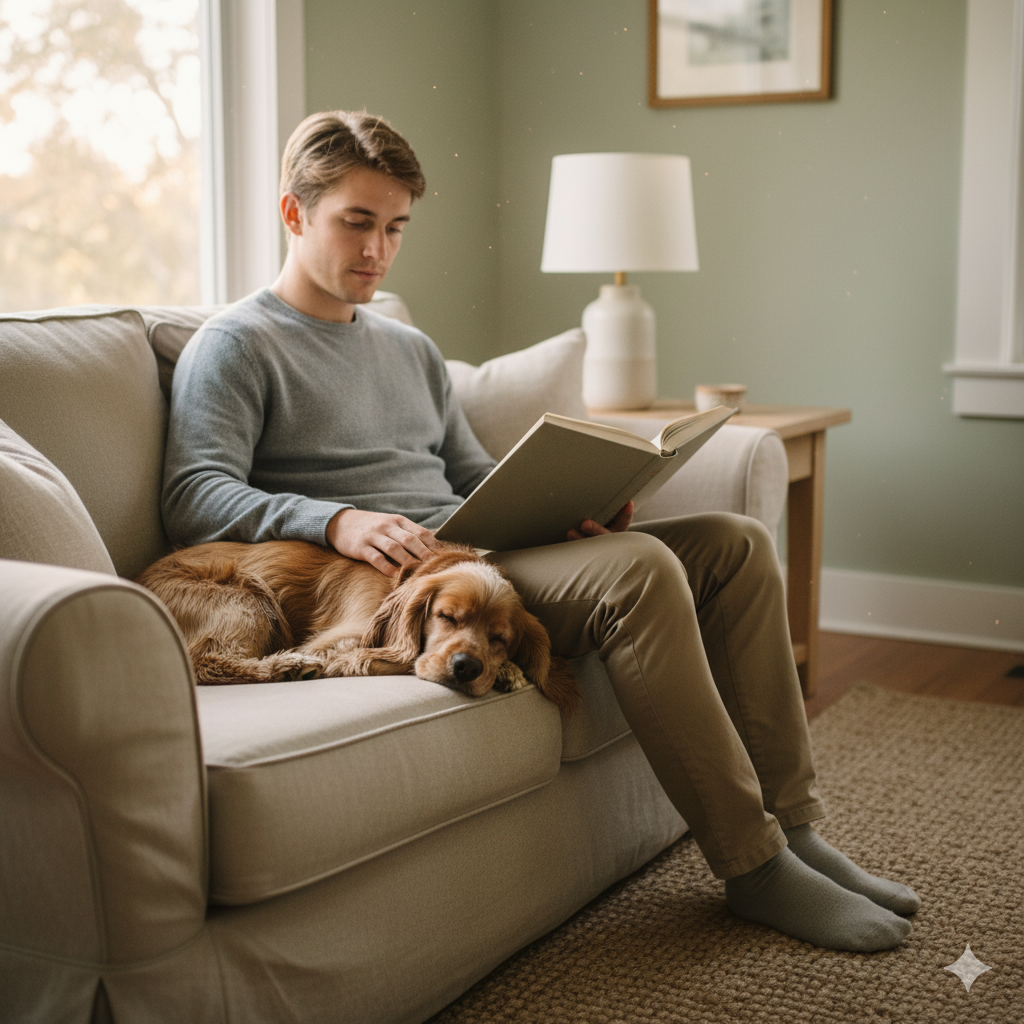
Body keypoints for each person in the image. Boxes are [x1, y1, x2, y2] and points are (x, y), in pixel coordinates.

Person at [163, 110, 920, 953]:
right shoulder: (236, 345)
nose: (377, 250)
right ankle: (754, 867)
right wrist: (335, 520)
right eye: (357, 223)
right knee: (638, 572)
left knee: (734, 544)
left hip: (485, 554)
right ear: (294, 213)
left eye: (396, 228)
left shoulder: (407, 349)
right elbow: (194, 494)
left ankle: (800, 826)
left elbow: (467, 475)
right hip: (400, 579)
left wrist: (570, 505)